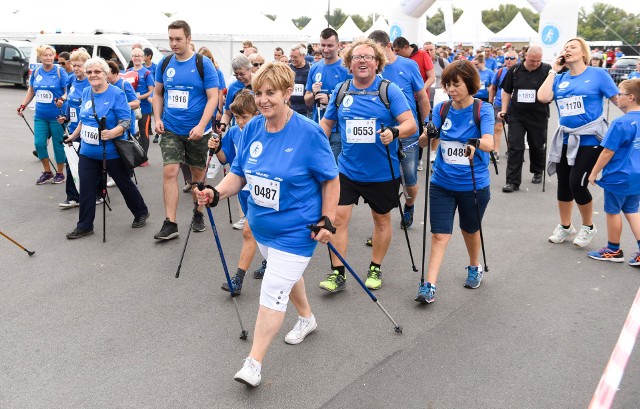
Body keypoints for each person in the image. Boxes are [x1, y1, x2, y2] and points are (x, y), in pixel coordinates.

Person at [195, 62, 339, 387]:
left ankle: (253, 363)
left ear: (288, 93)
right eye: (258, 93)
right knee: (285, 274)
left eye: (270, 93)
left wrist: (328, 218)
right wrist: (215, 193)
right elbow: (240, 174)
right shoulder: (253, 129)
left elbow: (331, 180)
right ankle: (307, 318)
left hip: (297, 231)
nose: (263, 100)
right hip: (263, 229)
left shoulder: (308, 133)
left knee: (273, 287)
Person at [318, 38, 415, 292]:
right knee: (337, 218)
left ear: (377, 63)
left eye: (368, 57)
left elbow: (410, 123)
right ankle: (338, 273)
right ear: (349, 64)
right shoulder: (341, 90)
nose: (362, 61)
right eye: (357, 57)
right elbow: (327, 124)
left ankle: (375, 267)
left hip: (383, 171)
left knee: (381, 220)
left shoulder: (389, 90)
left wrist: (394, 131)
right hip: (347, 169)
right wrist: (315, 144)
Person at [415, 59, 495, 303]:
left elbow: (490, 143)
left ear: (469, 84)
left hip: (473, 185)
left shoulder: (483, 109)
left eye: (456, 84)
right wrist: (428, 134)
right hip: (441, 184)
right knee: (440, 234)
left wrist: (475, 143)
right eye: (447, 84)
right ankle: (428, 285)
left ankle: (474, 265)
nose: (451, 89)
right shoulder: (442, 109)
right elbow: (422, 142)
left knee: (469, 230)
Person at [538, 37, 619, 247]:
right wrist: (553, 71)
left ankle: (588, 226)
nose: (568, 50)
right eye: (565, 48)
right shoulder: (560, 78)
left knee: (578, 184)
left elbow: (619, 100)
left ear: (583, 53)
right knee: (563, 185)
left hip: (591, 139)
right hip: (566, 138)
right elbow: (543, 97)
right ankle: (566, 227)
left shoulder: (598, 75)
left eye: (572, 47)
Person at [64, 57, 149, 239]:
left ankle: (140, 212)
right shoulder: (87, 92)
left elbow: (126, 121)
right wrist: (73, 136)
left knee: (123, 183)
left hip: (111, 151)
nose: (93, 75)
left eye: (97, 72)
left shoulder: (117, 93)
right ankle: (85, 225)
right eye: (90, 72)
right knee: (86, 188)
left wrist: (112, 132)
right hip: (88, 151)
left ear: (105, 74)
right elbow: (83, 119)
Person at [152, 20, 219, 240]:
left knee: (197, 175)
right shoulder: (165, 63)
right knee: (169, 172)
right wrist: (157, 118)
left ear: (189, 39)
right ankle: (170, 222)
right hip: (171, 128)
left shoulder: (203, 64)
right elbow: (159, 94)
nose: (174, 43)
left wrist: (201, 126)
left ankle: (198, 212)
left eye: (178, 39)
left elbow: (213, 97)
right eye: (170, 38)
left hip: (198, 131)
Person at [369, 30, 429, 228]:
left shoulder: (408, 65)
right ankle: (381, 225)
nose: (373, 56)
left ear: (388, 46)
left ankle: (409, 205)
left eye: (376, 50)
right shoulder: (372, 70)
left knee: (409, 179)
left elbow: (422, 96)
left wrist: (427, 123)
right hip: (381, 135)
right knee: (383, 180)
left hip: (407, 133)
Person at [206, 90, 261, 294]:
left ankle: (237, 279)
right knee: (257, 231)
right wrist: (217, 146)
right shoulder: (235, 132)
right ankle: (269, 260)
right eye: (236, 117)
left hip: (262, 190)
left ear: (257, 114)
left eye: (244, 117)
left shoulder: (265, 131)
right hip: (242, 189)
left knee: (249, 231)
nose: (239, 121)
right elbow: (224, 159)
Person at [587, 79, 640, 267]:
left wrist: (593, 173)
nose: (617, 97)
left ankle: (613, 249)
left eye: (621, 93)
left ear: (631, 97)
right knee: (633, 210)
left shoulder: (620, 123)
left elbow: (608, 151)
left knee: (613, 211)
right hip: (637, 174)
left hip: (619, 176)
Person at [499, 45, 552, 193]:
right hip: (517, 115)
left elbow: (552, 90)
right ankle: (512, 181)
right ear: (525, 56)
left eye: (538, 61)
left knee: (537, 145)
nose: (535, 63)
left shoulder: (546, 70)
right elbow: (506, 92)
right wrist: (503, 110)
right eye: (532, 60)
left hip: (538, 115)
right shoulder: (515, 70)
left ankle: (537, 170)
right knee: (515, 147)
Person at [18, 45, 69, 185]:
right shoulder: (36, 72)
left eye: (50, 55)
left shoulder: (59, 71)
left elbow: (68, 90)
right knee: (39, 143)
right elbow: (31, 91)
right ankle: (47, 172)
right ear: (40, 57)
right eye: (45, 55)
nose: (48, 57)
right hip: (40, 115)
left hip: (58, 116)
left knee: (58, 145)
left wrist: (62, 99)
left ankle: (60, 173)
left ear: (54, 56)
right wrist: (23, 105)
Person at [304, 28, 352, 162]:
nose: (325, 49)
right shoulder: (314, 67)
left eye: (330, 45)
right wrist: (314, 94)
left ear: (338, 45)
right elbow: (307, 101)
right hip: (318, 126)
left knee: (333, 169)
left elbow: (354, 98)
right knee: (318, 168)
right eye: (323, 45)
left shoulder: (346, 68)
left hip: (338, 129)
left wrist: (330, 99)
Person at [58, 48, 92, 209]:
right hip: (73, 129)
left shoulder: (90, 82)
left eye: (80, 65)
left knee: (89, 162)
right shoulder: (71, 79)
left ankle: (97, 192)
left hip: (88, 129)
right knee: (70, 161)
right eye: (74, 64)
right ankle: (72, 196)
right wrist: (65, 116)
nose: (76, 68)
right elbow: (70, 103)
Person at [489, 50, 518, 163]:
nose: (509, 61)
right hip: (499, 104)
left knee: (513, 129)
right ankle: (496, 151)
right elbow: (493, 87)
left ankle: (510, 150)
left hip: (515, 105)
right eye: (507, 58)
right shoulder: (500, 72)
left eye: (512, 58)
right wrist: (490, 102)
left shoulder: (520, 71)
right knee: (498, 127)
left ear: (517, 60)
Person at [127, 48, 154, 162]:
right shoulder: (127, 71)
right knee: (131, 132)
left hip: (144, 108)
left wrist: (138, 98)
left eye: (139, 55)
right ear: (131, 58)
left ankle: (144, 158)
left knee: (144, 132)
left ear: (143, 58)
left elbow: (151, 90)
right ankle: (132, 157)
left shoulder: (147, 73)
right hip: (130, 107)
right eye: (134, 55)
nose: (137, 58)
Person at [424, 41, 449, 164]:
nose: (429, 52)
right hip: (425, 97)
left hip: (439, 95)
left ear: (435, 50)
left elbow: (450, 75)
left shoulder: (442, 62)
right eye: (426, 50)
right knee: (426, 124)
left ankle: (433, 151)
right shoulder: (422, 61)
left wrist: (446, 88)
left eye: (431, 50)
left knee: (437, 123)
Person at [289, 44, 311, 117]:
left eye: (295, 57)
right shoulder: (287, 69)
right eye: (291, 57)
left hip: (305, 111)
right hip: (290, 109)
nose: (292, 59)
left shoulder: (311, 69)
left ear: (303, 56)